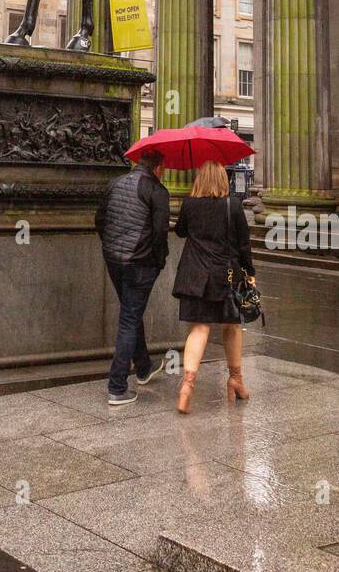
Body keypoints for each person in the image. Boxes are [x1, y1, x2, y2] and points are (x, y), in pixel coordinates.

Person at [172, 160, 255, 414]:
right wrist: (250, 272)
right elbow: (243, 245)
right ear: (223, 180)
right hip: (225, 276)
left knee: (199, 329)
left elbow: (180, 232)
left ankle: (187, 386)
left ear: (199, 180)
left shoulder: (189, 204)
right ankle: (236, 379)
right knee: (232, 327)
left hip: (195, 275)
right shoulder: (233, 205)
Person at [95, 148, 170, 407]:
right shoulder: (157, 190)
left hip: (114, 259)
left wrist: (110, 246)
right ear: (158, 167)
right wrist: (158, 262)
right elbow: (160, 233)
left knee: (131, 311)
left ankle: (144, 367)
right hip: (140, 262)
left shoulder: (115, 183)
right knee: (129, 319)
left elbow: (99, 219)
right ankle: (117, 386)